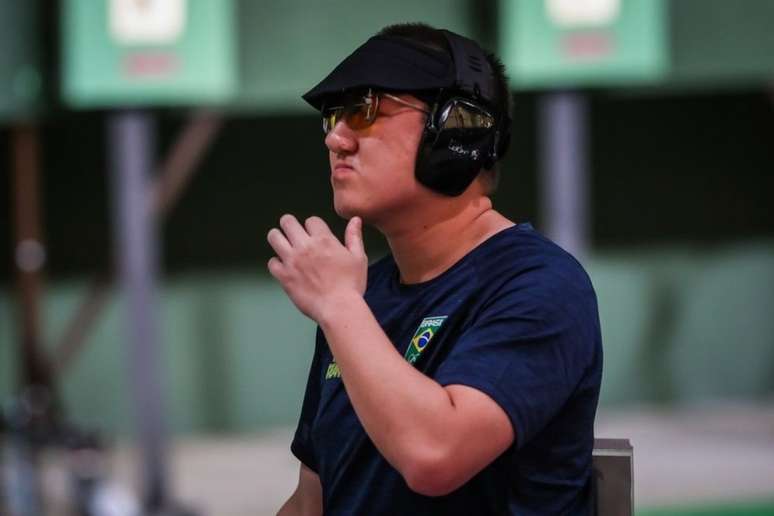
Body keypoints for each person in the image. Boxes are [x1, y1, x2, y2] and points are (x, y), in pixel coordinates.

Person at [267, 22, 603, 516]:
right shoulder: (363, 296)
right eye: (334, 117)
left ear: (455, 129)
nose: (335, 139)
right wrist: (344, 306)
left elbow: (436, 455)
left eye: (363, 111)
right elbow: (310, 504)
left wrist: (339, 307)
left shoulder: (541, 285)